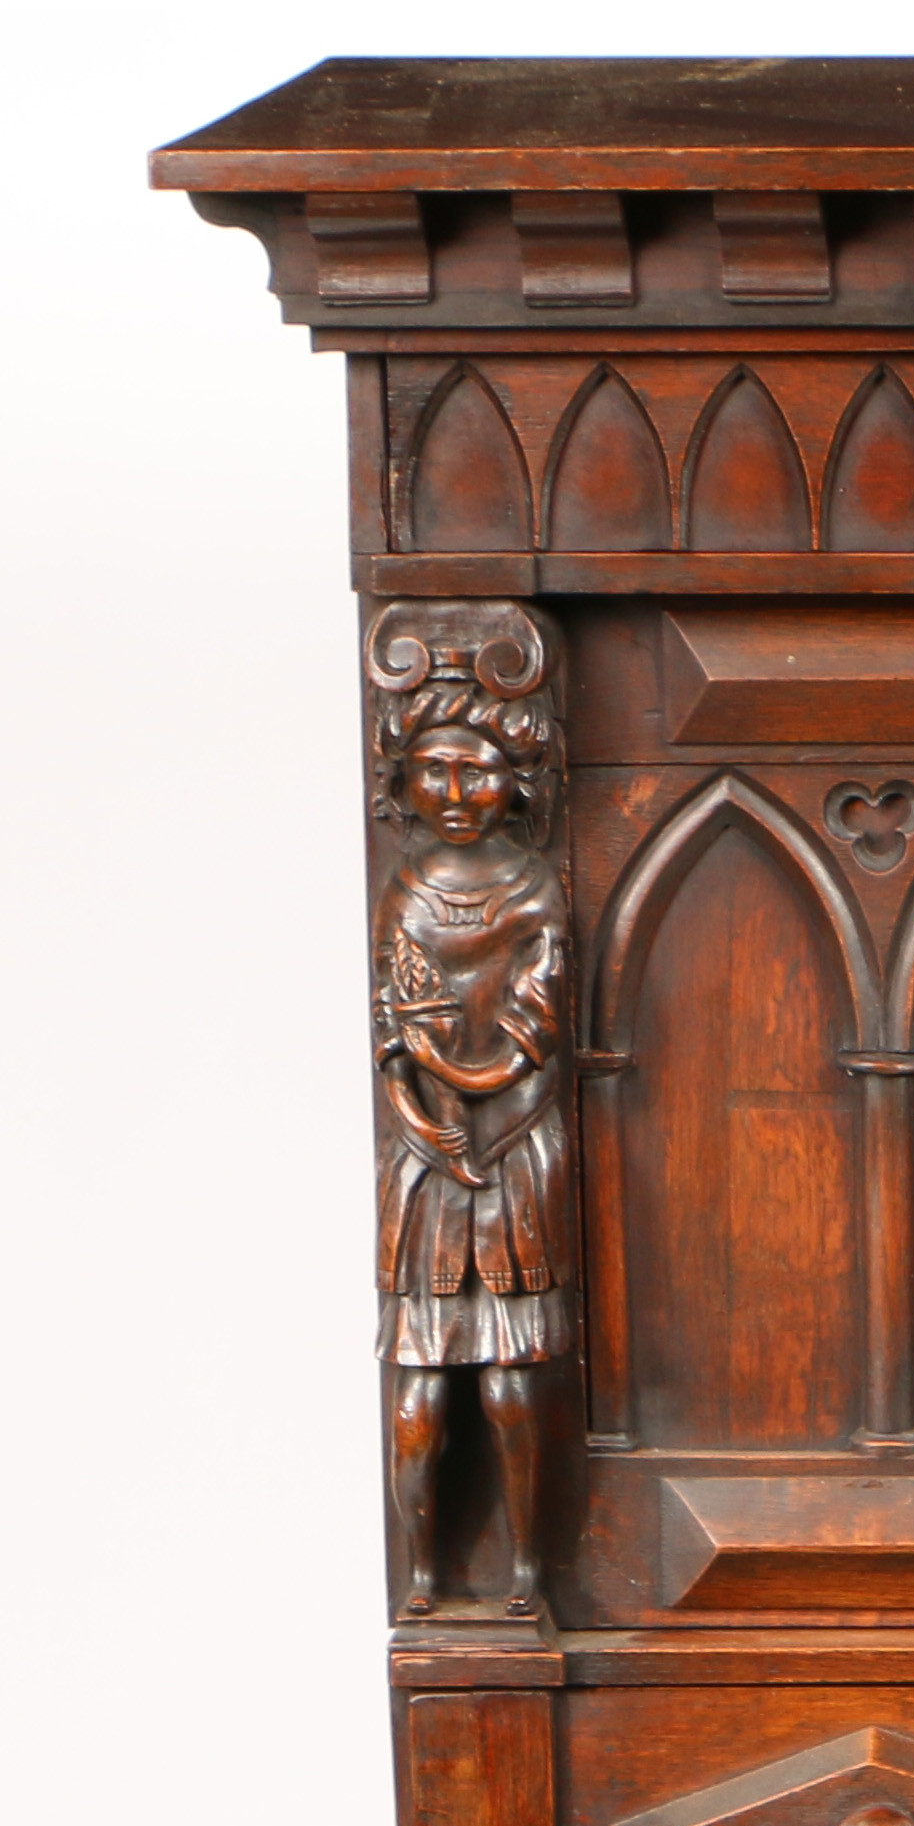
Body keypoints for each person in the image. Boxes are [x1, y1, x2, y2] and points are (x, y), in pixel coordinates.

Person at [369, 643, 572, 1615]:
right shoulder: (407, 890)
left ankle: (526, 1573)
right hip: (429, 1166)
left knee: (510, 1374)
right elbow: (391, 1048)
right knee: (420, 1383)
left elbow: (526, 1038)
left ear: (517, 776)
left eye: (477, 767)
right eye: (435, 768)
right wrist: (422, 1123)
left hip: (513, 1151)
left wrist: (446, 1074)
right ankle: (427, 1578)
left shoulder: (532, 889)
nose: (455, 789)